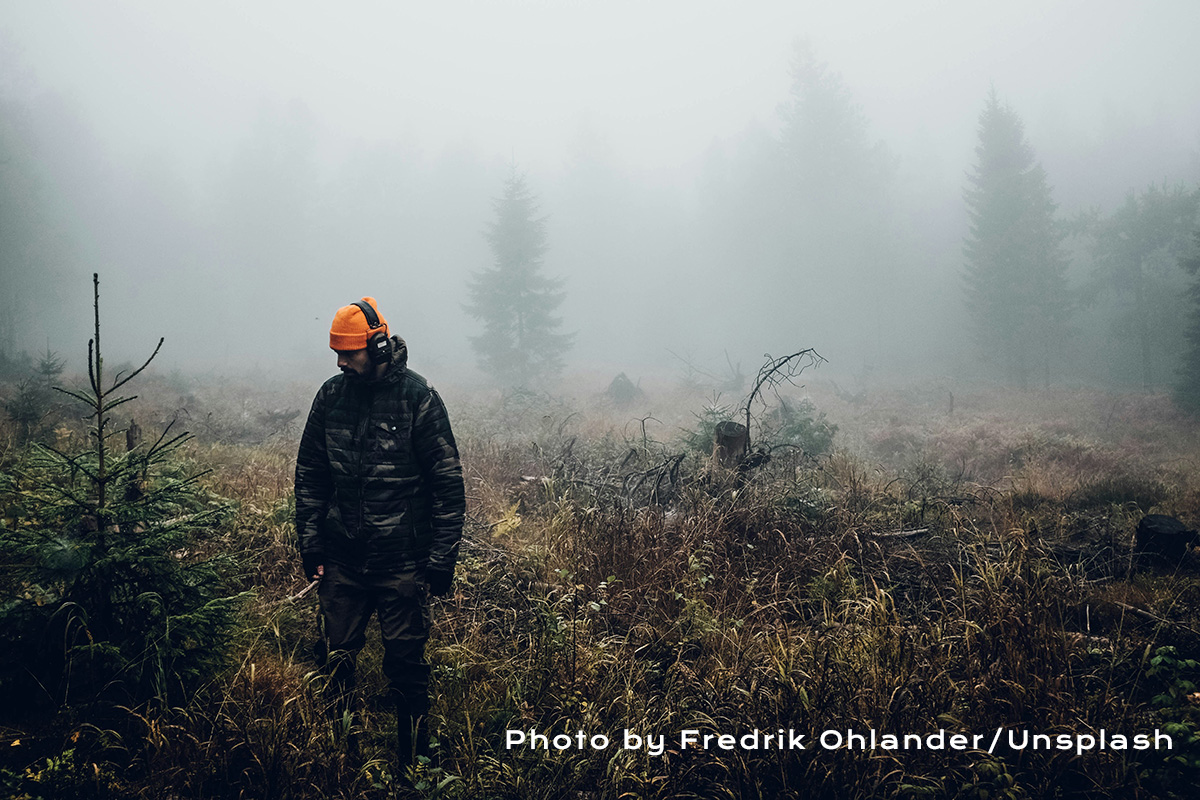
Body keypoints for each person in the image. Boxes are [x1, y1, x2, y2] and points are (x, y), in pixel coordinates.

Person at [294, 296, 465, 767]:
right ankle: (340, 759)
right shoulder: (330, 396)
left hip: (403, 563)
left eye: (350, 352)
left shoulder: (419, 398)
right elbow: (310, 474)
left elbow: (448, 487)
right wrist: (310, 543)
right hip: (342, 560)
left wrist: (440, 560)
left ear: (380, 345)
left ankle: (415, 764)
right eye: (336, 353)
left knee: (406, 669)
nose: (341, 362)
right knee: (335, 661)